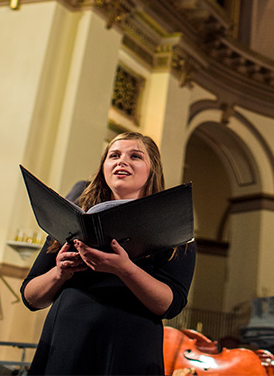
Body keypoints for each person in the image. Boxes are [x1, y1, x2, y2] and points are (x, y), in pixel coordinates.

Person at [21, 132, 196, 375]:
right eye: (114, 155)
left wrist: (124, 269)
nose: (121, 161)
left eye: (135, 156)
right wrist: (59, 272)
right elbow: (30, 297)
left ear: (152, 170)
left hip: (128, 351)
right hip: (66, 345)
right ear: (104, 166)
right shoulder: (71, 224)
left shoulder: (173, 231)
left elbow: (170, 305)